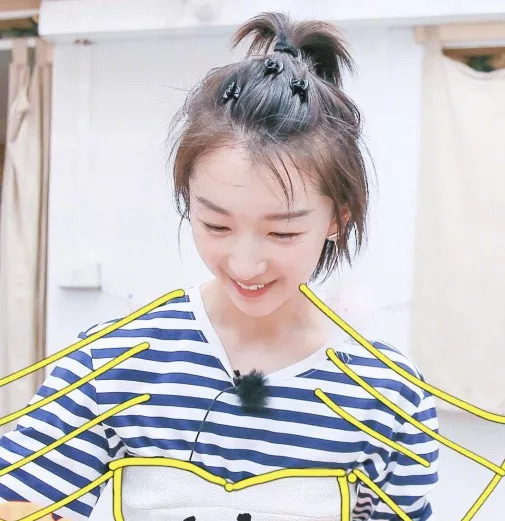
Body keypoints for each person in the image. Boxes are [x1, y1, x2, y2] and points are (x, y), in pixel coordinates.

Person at [0, 11, 439, 521]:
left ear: (338, 218)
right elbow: (17, 502)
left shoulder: (388, 392)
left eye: (282, 232)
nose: (246, 264)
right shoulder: (115, 360)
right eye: (216, 225)